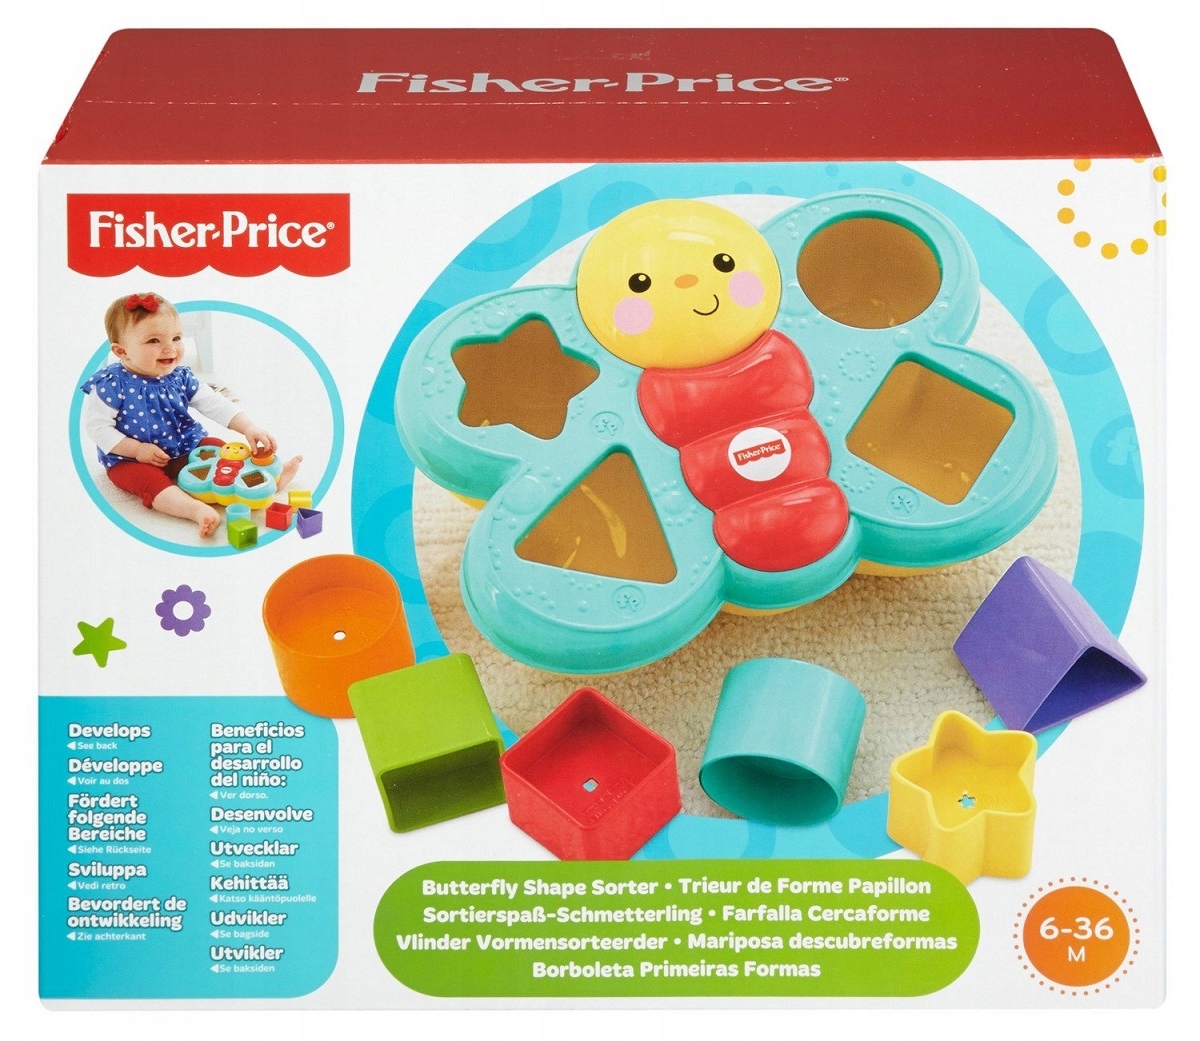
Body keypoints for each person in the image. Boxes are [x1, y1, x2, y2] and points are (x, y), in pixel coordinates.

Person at [82, 292, 301, 537]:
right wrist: (137, 450)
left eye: (176, 338)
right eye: (154, 341)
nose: (170, 348)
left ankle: (268, 481)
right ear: (122, 351)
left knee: (221, 451)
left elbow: (214, 403)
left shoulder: (181, 376)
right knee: (148, 482)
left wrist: (248, 427)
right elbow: (97, 428)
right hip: (129, 459)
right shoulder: (110, 384)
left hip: (184, 444)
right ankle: (194, 509)